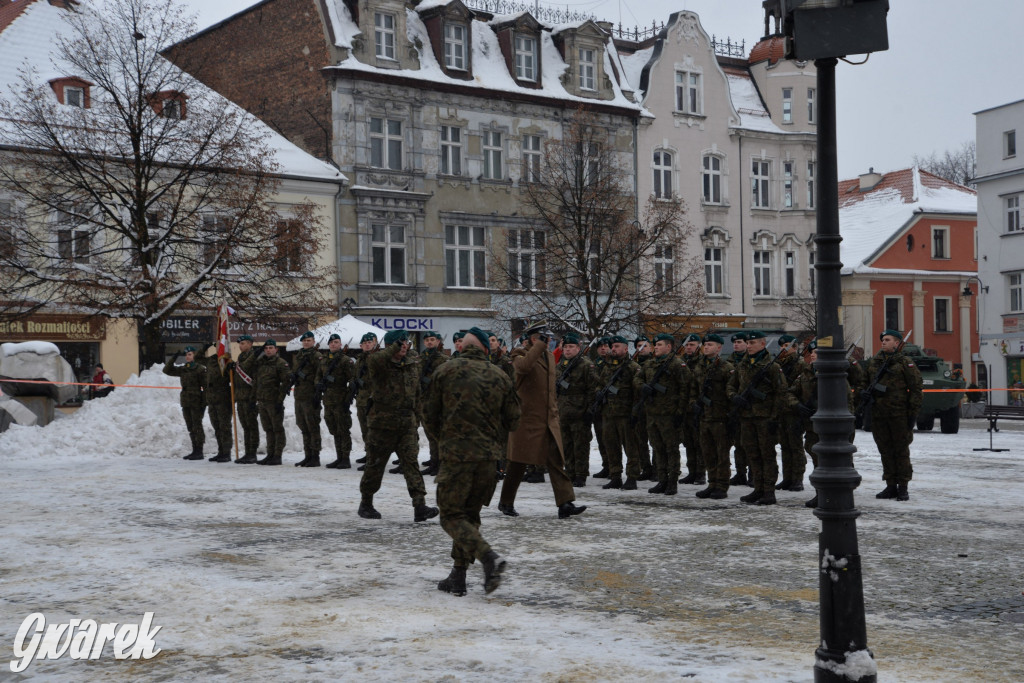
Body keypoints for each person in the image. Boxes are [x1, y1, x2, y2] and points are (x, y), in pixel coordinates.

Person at [424, 327, 521, 596]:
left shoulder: (445, 370)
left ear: (463, 346)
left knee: (451, 516)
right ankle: (458, 576)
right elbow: (514, 419)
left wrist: (443, 439)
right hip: (488, 458)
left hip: (456, 456)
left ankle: (488, 558)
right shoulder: (500, 375)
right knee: (469, 515)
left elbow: (428, 414)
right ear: (485, 349)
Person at [497, 321, 586, 519]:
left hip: (548, 418)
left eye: (549, 337)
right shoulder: (518, 354)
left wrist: (554, 412)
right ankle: (506, 501)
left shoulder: (548, 356)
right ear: (533, 338)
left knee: (555, 462)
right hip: (527, 420)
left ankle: (565, 503)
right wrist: (538, 346)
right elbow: (523, 368)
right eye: (543, 337)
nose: (549, 340)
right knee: (518, 464)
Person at [357, 329, 439, 522]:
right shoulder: (378, 362)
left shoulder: (412, 363)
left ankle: (420, 506)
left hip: (406, 424)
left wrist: (416, 418)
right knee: (374, 466)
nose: (404, 348)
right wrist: (394, 345)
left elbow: (417, 392)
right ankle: (366, 503)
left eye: (406, 344)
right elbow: (375, 360)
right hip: (382, 425)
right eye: (400, 345)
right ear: (391, 345)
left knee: (411, 464)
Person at [728, 330, 787, 505]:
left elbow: (781, 393)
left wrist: (774, 418)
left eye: (753, 343)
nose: (749, 346)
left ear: (763, 344)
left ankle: (769, 491)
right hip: (747, 417)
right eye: (748, 343)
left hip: (765, 418)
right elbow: (730, 386)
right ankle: (758, 488)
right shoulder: (742, 365)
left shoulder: (772, 366)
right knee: (752, 454)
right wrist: (734, 397)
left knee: (767, 455)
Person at [862, 329, 923, 501]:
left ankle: (903, 486)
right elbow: (864, 382)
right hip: (879, 414)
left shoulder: (905, 362)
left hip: (899, 414)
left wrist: (912, 414)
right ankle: (890, 485)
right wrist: (863, 393)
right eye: (882, 339)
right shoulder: (875, 362)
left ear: (897, 343)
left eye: (887, 340)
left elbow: (916, 389)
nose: (883, 342)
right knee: (885, 451)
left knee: (901, 451)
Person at [633, 332, 689, 495]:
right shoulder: (649, 364)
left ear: (669, 347)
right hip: (652, 413)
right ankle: (662, 479)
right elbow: (637, 379)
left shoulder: (677, 364)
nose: (655, 347)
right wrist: (643, 386)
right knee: (657, 448)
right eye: (655, 345)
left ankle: (672, 481)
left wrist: (680, 412)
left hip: (669, 414)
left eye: (659, 345)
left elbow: (685, 389)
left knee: (671, 449)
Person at [595, 335, 642, 490]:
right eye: (612, 346)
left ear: (625, 348)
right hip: (608, 413)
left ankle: (632, 477)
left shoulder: (632, 367)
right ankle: (615, 476)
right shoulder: (608, 366)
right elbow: (600, 384)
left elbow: (637, 392)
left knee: (631, 448)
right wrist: (598, 393)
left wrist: (635, 413)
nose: (613, 349)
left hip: (625, 414)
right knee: (611, 447)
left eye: (617, 346)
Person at [692, 333, 734, 499]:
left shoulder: (726, 367)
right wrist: (693, 404)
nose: (706, 347)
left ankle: (722, 486)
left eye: (710, 344)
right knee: (708, 453)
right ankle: (712, 483)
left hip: (720, 417)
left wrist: (729, 415)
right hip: (704, 416)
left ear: (719, 348)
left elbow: (730, 392)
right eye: (705, 344)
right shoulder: (698, 366)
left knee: (721, 454)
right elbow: (693, 389)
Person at [555, 333, 599, 487]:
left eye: (571, 347)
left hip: (580, 411)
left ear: (578, 348)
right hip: (563, 411)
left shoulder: (586, 365)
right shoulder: (561, 365)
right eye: (565, 347)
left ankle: (580, 474)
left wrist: (589, 410)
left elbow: (592, 389)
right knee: (566, 445)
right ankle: (570, 472)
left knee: (580, 446)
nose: (567, 350)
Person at [162, 346, 207, 460]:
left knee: (197, 426)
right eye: (186, 355)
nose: (187, 357)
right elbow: (166, 370)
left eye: (190, 354)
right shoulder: (183, 369)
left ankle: (199, 450)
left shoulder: (200, 369)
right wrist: (174, 358)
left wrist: (204, 402)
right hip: (186, 400)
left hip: (197, 400)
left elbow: (205, 387)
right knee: (190, 426)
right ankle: (194, 450)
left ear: (195, 355)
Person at [774, 334, 806, 491]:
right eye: (781, 346)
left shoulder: (799, 364)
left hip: (793, 410)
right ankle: (787, 477)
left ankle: (797, 478)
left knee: (795, 446)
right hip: (780, 410)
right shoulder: (778, 364)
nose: (783, 349)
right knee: (784, 445)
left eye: (786, 345)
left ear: (794, 347)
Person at [319, 333, 355, 469]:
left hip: (341, 400)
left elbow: (352, 379)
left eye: (336, 342)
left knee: (343, 429)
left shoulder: (345, 360)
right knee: (334, 429)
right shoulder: (324, 360)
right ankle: (339, 457)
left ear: (340, 344)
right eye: (331, 342)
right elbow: (319, 376)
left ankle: (345, 458)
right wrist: (319, 386)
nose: (333, 344)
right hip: (328, 400)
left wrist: (348, 397)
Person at [254, 339, 290, 466]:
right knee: (268, 429)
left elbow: (286, 382)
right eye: (266, 348)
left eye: (271, 348)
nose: (268, 350)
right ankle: (270, 454)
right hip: (263, 400)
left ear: (276, 349)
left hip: (274, 401)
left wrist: (280, 400)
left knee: (277, 429)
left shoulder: (281, 363)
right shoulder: (261, 363)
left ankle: (277, 455)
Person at [418, 331, 449, 477]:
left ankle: (440, 463)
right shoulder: (420, 359)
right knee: (429, 434)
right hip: (423, 401)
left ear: (437, 342)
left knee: (438, 435)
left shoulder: (443, 359)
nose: (430, 342)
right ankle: (433, 461)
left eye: (432, 340)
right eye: (427, 340)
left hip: (437, 402)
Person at [291, 331, 324, 467]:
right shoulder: (299, 356)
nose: (306, 342)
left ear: (313, 342)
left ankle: (315, 456)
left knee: (312, 426)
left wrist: (304, 376)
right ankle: (307, 455)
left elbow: (320, 374)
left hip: (311, 395)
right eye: (304, 341)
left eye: (309, 340)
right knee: (303, 425)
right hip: (299, 395)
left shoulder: (317, 356)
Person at [678, 333, 706, 485]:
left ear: (698, 346)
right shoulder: (680, 362)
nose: (688, 348)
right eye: (687, 345)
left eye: (692, 345)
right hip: (683, 408)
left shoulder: (702, 362)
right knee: (688, 442)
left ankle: (701, 473)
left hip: (696, 408)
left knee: (699, 442)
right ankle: (692, 471)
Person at [231, 335, 261, 464]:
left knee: (251, 426)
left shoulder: (255, 357)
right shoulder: (241, 357)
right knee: (245, 427)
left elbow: (252, 375)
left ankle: (252, 453)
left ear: (250, 344)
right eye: (240, 343)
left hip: (250, 397)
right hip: (241, 397)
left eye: (243, 343)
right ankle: (247, 452)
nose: (240, 346)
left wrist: (253, 398)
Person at [202, 343, 234, 463]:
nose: (218, 348)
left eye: (220, 346)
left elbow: (233, 377)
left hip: (223, 398)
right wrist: (206, 346)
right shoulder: (211, 360)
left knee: (224, 427)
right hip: (212, 399)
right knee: (217, 427)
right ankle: (221, 452)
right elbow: (199, 358)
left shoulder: (227, 361)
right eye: (217, 346)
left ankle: (226, 452)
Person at [727, 332, 750, 486]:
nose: (736, 344)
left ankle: (754, 475)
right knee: (737, 444)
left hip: (750, 409)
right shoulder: (729, 361)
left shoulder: (751, 361)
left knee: (750, 443)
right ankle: (740, 472)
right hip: (733, 408)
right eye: (734, 342)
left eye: (739, 342)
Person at [352, 332, 378, 469]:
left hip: (372, 400)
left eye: (370, 342)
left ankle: (373, 459)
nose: (367, 345)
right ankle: (369, 454)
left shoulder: (377, 358)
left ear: (374, 344)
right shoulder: (360, 360)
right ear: (361, 345)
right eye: (365, 343)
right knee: (364, 429)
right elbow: (354, 376)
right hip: (361, 399)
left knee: (372, 430)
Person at [632, 335, 655, 481]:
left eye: (645, 345)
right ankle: (645, 468)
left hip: (653, 407)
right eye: (639, 345)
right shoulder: (632, 363)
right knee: (640, 440)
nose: (641, 348)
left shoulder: (655, 363)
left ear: (651, 348)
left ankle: (658, 469)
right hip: (638, 406)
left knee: (655, 441)